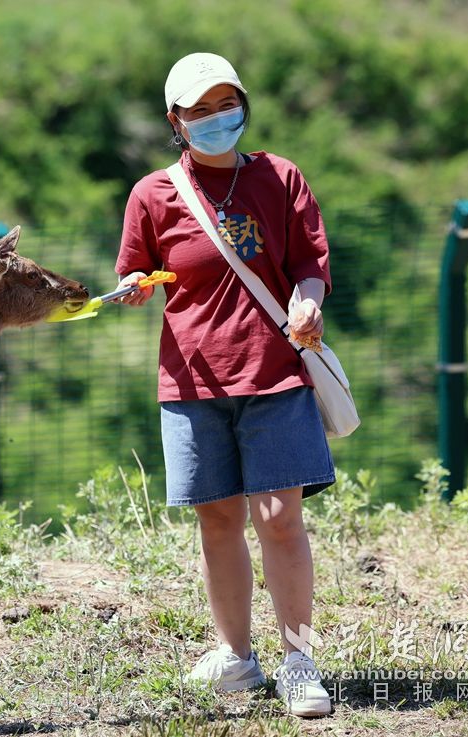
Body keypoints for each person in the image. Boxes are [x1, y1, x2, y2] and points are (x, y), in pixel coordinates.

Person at [115, 52, 335, 717]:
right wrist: (130, 288)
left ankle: (299, 660)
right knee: (217, 518)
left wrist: (308, 302)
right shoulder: (152, 194)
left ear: (242, 103)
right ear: (175, 122)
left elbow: (309, 263)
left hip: (275, 374)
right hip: (191, 382)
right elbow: (137, 271)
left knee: (280, 516)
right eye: (199, 110)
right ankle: (236, 657)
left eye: (225, 103)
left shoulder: (280, 177)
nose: (216, 119)